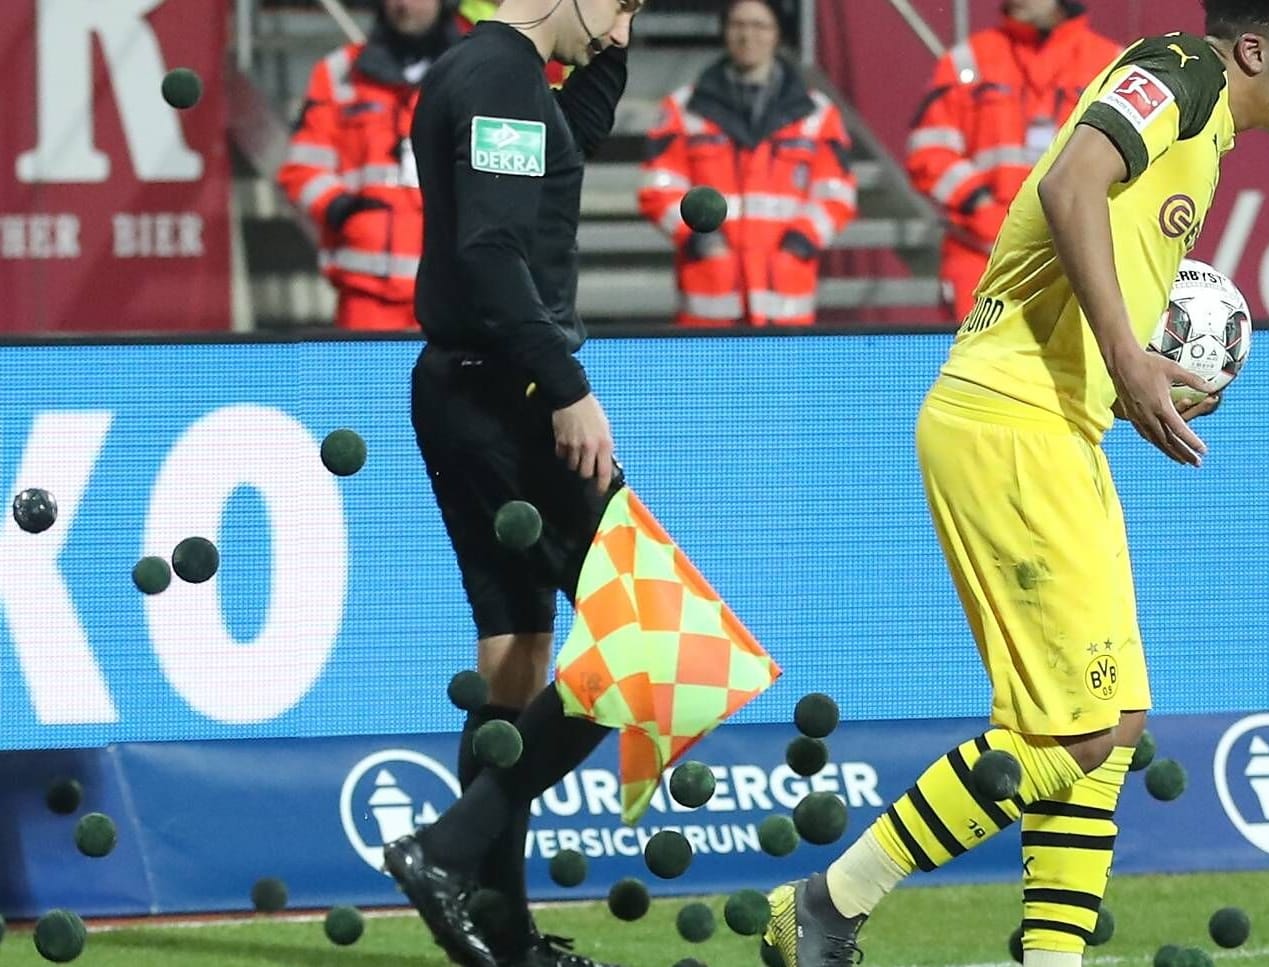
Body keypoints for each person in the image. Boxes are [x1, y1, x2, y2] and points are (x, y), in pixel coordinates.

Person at [762, 2, 1269, 966]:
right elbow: (1076, 175)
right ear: (1252, 49)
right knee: (1072, 733)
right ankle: (829, 902)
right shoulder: (1177, 70)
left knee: (1112, 728)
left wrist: (1126, 381)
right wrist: (1126, 354)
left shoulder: (1203, 140)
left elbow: (1079, 246)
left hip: (1058, 429)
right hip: (1007, 423)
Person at [386, 2, 642, 966]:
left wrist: (613, 53)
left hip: (460, 386)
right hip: (511, 394)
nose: (623, 24)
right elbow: (491, 253)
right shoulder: (500, 80)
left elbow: (554, 160)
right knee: (652, 642)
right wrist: (565, 384)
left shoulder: (484, 72)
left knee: (516, 659)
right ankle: (445, 851)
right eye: (621, 5)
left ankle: (501, 934)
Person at [637, 0, 857, 327]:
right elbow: (658, 187)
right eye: (737, 25)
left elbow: (836, 193)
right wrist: (699, 238)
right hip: (710, 299)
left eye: (759, 26)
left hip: (785, 300)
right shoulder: (684, 109)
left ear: (777, 34)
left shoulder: (817, 114)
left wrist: (801, 242)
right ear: (724, 32)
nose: (747, 36)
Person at [905, 0, 1120, 322]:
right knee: (974, 368)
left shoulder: (1111, 64)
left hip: (1076, 257)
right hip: (980, 255)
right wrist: (982, 210)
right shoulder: (968, 60)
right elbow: (929, 151)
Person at [277, 0, 458, 331]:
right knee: (362, 383)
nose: (403, 4)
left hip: (453, 288)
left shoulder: (470, 74)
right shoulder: (339, 71)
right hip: (366, 291)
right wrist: (341, 209)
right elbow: (301, 168)